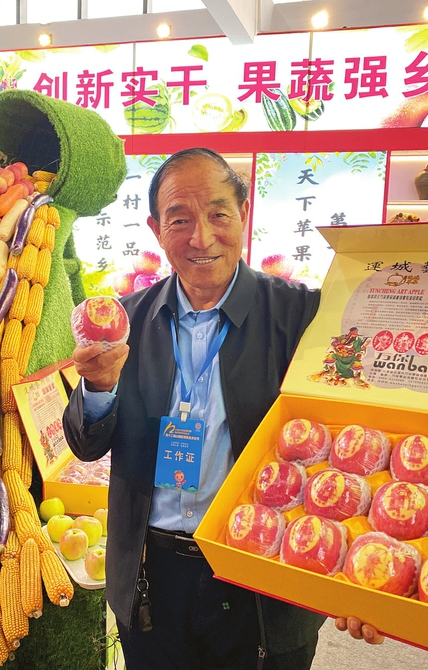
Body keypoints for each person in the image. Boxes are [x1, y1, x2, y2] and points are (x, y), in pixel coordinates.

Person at [63, 148, 382, 669]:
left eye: (218, 214)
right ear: (156, 229)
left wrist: (359, 571)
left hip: (265, 575)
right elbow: (86, 443)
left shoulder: (302, 317)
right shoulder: (126, 322)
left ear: (244, 213)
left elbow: (354, 441)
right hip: (152, 576)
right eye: (179, 220)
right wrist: (98, 386)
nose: (202, 238)